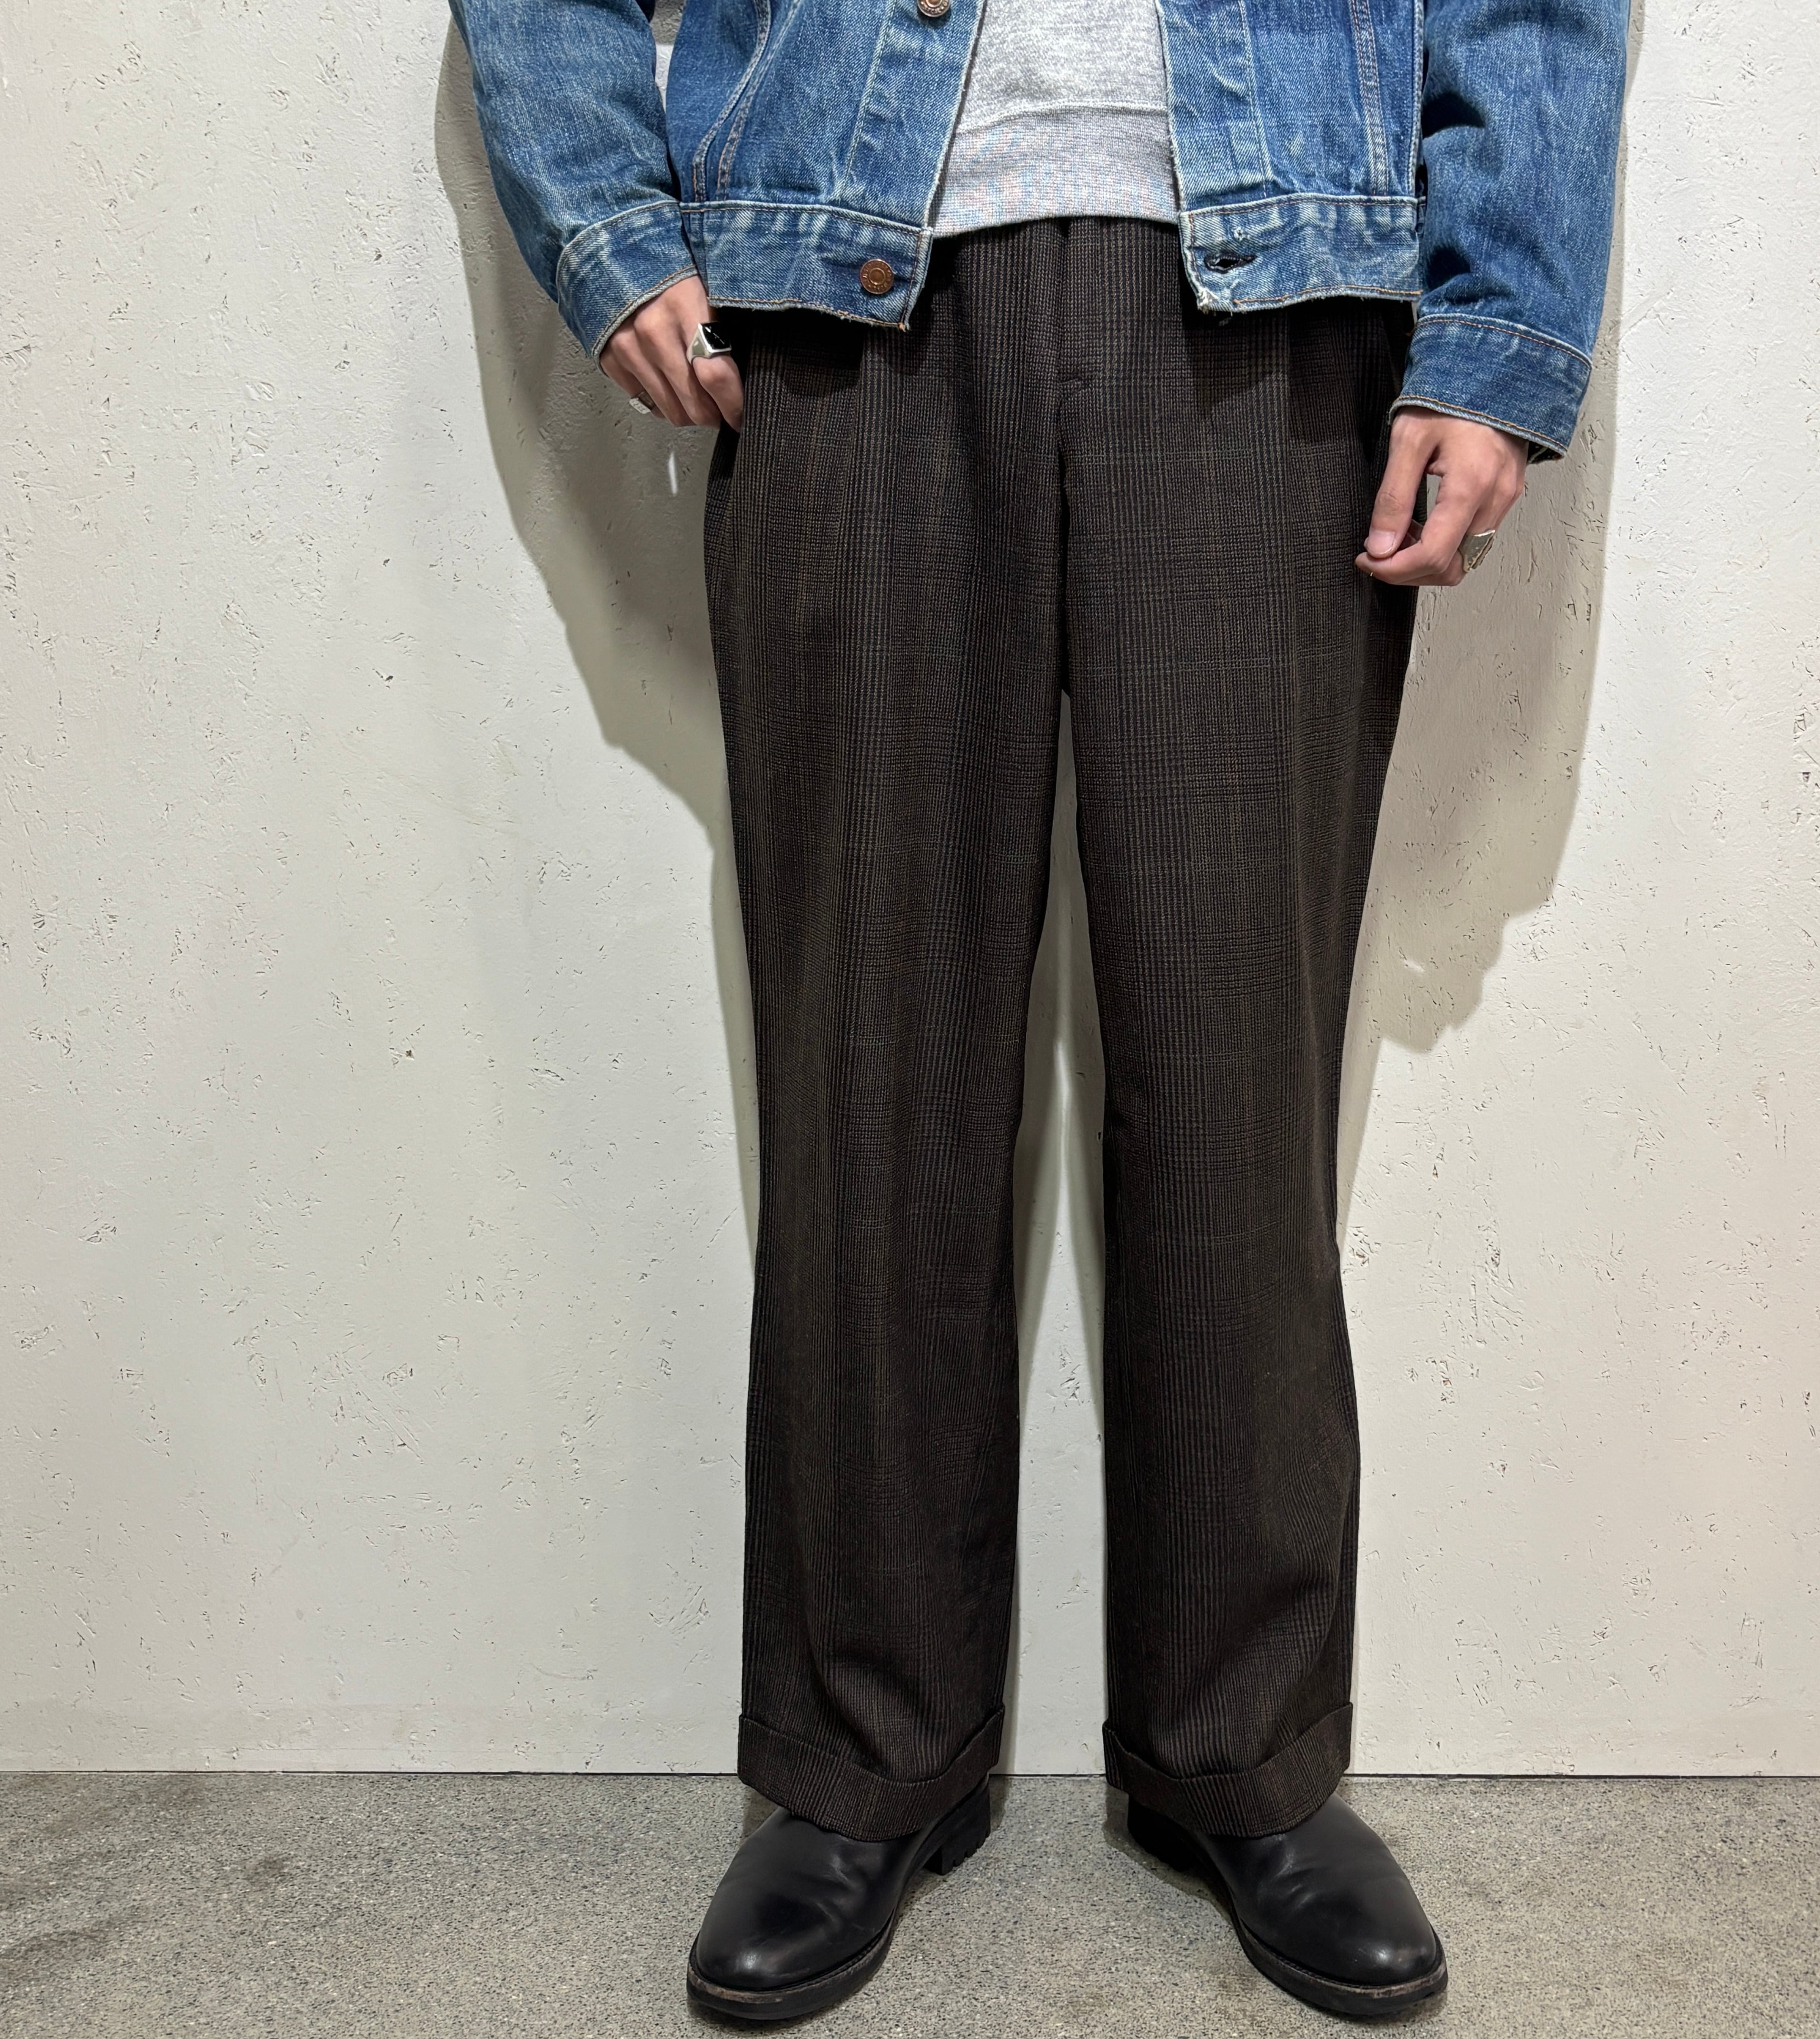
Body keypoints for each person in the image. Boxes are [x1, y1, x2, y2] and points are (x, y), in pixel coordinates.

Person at [451, 0, 1627, 2019]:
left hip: (1276, 301)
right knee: (870, 1081)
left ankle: (1242, 1756)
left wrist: (1501, 326)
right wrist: (605, 220)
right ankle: (861, 1760)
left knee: (1239, 1080)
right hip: (846, 302)